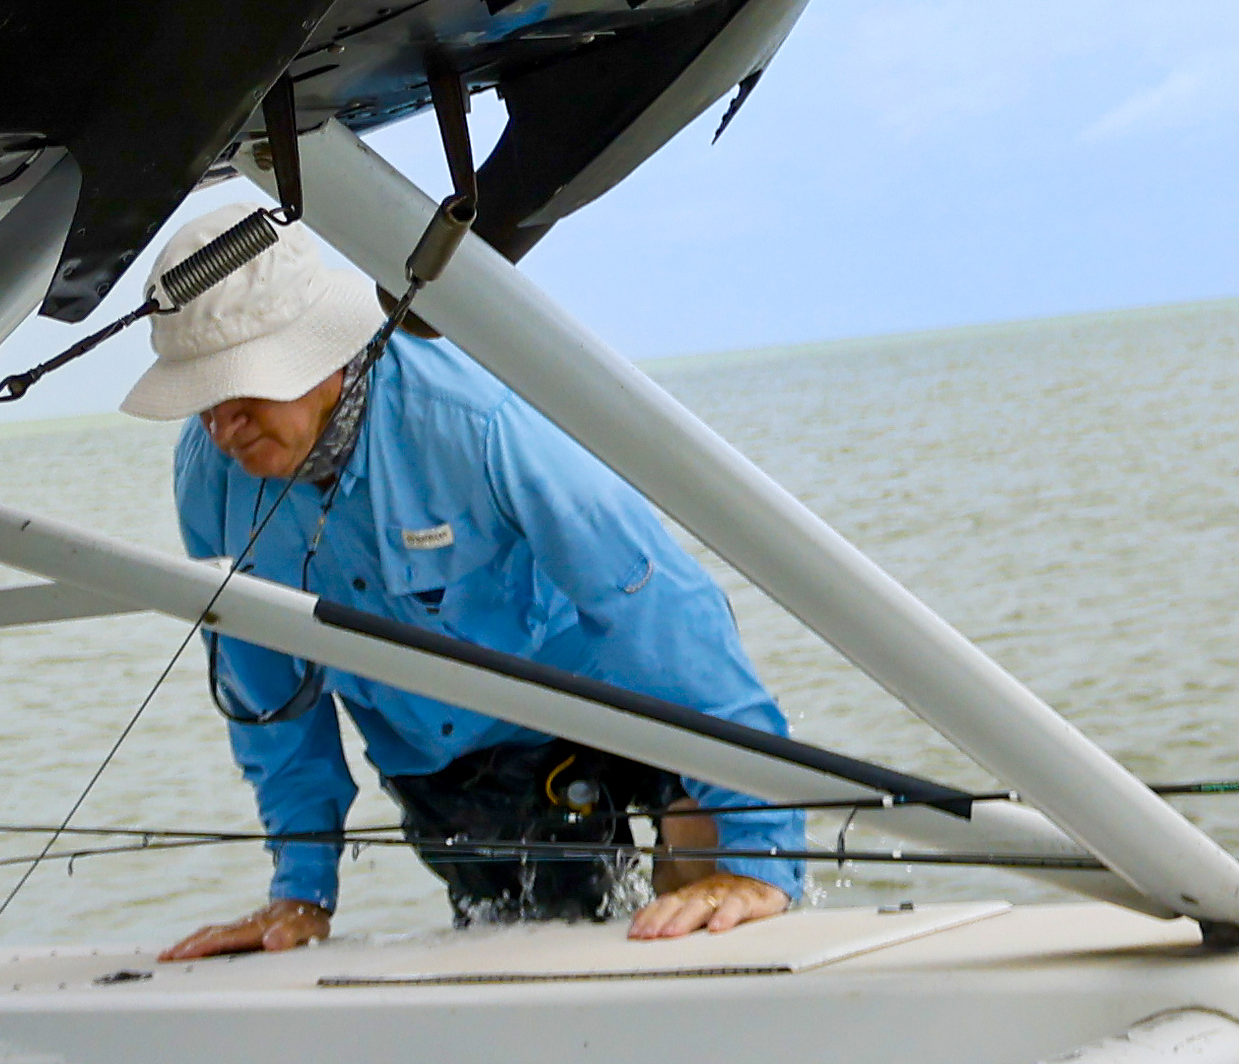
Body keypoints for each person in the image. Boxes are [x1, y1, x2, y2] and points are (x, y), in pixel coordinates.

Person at [124, 213, 823, 956]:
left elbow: (653, 607)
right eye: (203, 402)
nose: (222, 428)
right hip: (448, 768)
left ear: (323, 355)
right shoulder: (207, 485)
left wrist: (764, 846)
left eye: (241, 391)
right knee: (536, 946)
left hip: (601, 697)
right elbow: (268, 694)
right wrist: (301, 889)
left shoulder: (479, 417)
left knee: (710, 866)